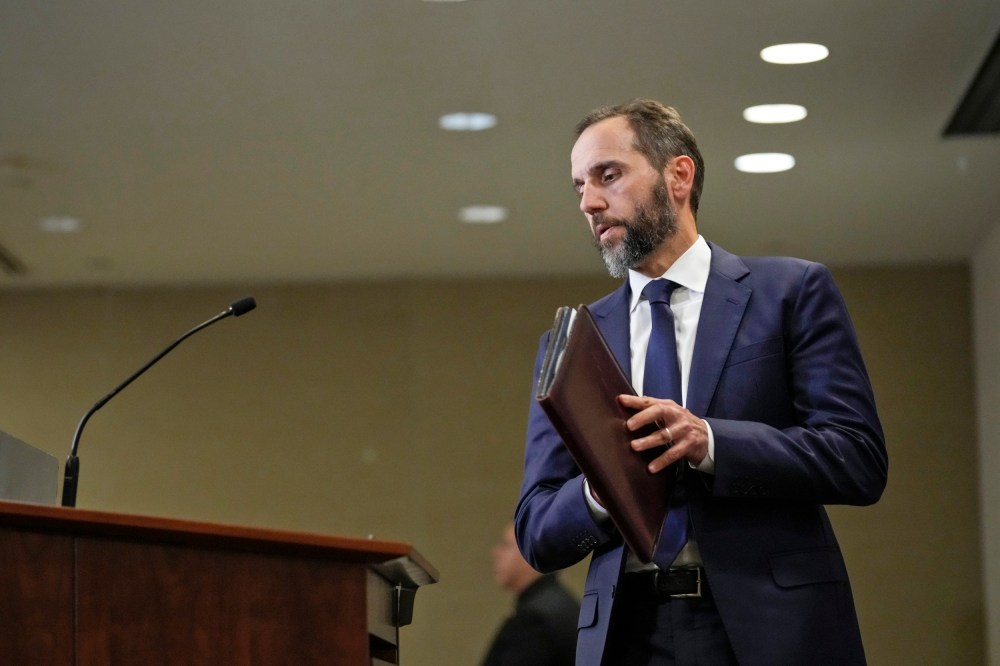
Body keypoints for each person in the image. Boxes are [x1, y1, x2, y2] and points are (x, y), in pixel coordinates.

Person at [514, 99, 887, 666]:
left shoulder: (791, 293)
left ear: (679, 176)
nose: (589, 202)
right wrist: (602, 491)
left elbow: (858, 458)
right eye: (579, 187)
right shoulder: (572, 344)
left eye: (608, 175)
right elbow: (536, 529)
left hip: (773, 628)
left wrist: (709, 441)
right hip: (627, 637)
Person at [481, 522, 580, 666]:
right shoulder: (554, 602)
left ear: (532, 553)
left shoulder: (535, 619)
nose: (496, 553)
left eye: (506, 545)